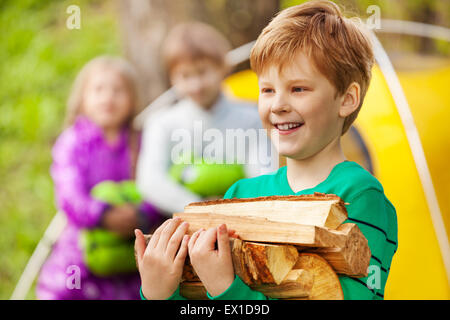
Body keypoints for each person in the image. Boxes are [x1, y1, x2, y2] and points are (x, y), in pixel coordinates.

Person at [136, 0, 398, 300]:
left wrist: (227, 290)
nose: (278, 104)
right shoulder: (239, 197)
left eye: (298, 89)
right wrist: (158, 292)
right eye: (267, 90)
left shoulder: (359, 196)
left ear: (347, 99)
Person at [36, 56, 163, 300]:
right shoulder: (72, 142)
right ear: (82, 98)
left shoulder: (143, 140)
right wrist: (103, 214)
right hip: (82, 250)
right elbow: (69, 196)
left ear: (132, 98)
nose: (108, 98)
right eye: (98, 89)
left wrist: (141, 214)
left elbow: (157, 186)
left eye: (118, 90)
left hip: (132, 248)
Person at [136, 22, 276, 216]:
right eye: (185, 75)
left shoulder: (252, 118)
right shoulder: (161, 123)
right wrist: (200, 209)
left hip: (243, 222)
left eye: (202, 72)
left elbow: (263, 173)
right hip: (182, 229)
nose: (196, 85)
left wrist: (234, 210)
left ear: (223, 67)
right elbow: (150, 180)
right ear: (172, 78)